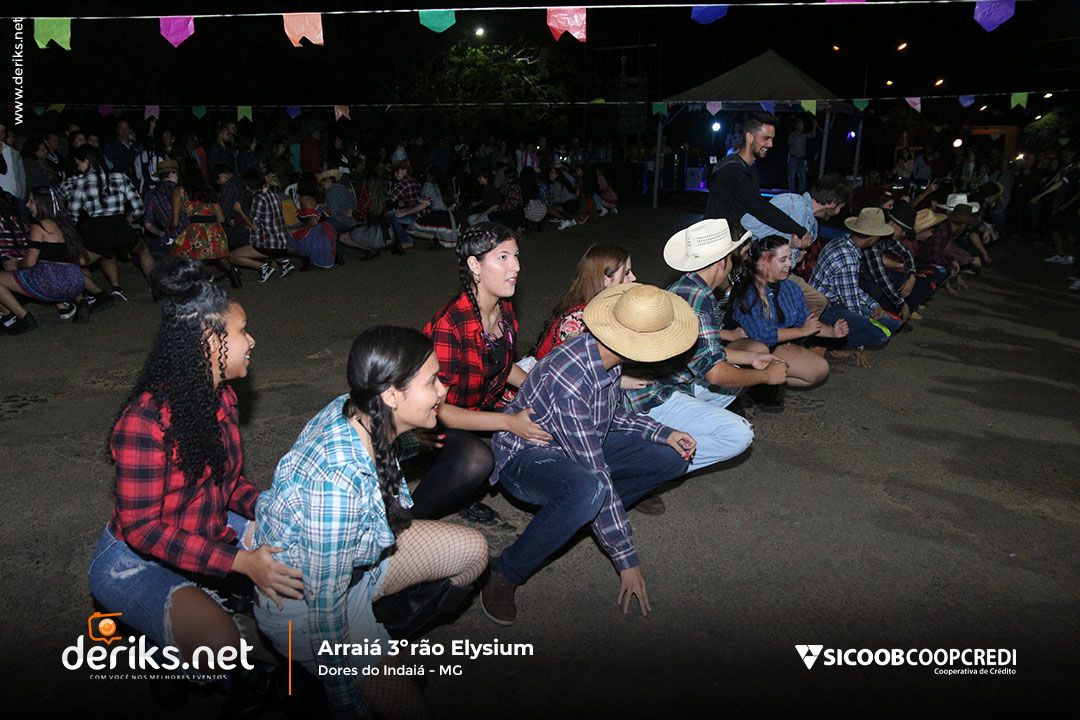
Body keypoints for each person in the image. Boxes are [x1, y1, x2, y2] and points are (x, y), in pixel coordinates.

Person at [88, 259, 299, 715]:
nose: (252, 341)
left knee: (291, 544)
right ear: (210, 340)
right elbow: (142, 529)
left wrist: (273, 506)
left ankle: (192, 615)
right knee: (224, 648)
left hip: (204, 529)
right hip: (135, 560)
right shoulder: (145, 420)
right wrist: (240, 561)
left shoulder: (220, 395)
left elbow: (230, 484)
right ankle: (165, 652)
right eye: (242, 331)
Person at [254, 326, 488, 720]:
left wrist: (408, 441)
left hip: (359, 566)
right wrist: (347, 704)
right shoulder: (337, 486)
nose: (443, 389)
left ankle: (384, 640)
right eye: (432, 381)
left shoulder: (356, 406)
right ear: (392, 395)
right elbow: (325, 611)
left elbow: (379, 443)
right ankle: (321, 681)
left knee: (473, 553)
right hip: (312, 614)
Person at [482, 283, 698, 625]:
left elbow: (611, 416)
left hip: (579, 444)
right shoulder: (572, 379)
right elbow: (596, 469)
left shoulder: (607, 357)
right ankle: (506, 571)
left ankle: (575, 518)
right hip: (526, 457)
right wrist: (626, 559)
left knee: (670, 459)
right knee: (590, 490)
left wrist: (664, 433)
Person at [418, 222, 552, 524]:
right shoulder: (450, 324)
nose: (515, 267)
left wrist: (542, 389)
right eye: (502, 257)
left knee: (544, 423)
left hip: (476, 409)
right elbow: (435, 408)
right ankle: (405, 521)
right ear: (474, 266)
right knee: (478, 460)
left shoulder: (503, 308)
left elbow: (501, 366)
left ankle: (460, 492)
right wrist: (508, 422)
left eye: (515, 256)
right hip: (431, 421)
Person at [624, 219, 772, 459]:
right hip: (654, 396)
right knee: (739, 434)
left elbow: (704, 350)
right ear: (723, 261)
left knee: (735, 377)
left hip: (661, 382)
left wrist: (752, 358)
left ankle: (678, 427)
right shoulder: (699, 300)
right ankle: (663, 459)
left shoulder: (686, 285)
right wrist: (767, 376)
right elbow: (715, 373)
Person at [731, 236, 848, 388]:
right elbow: (762, 335)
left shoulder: (791, 287)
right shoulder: (749, 291)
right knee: (760, 349)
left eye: (790, 258)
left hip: (773, 346)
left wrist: (832, 332)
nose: (789, 264)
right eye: (783, 260)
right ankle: (746, 382)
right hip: (742, 344)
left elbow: (805, 321)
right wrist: (801, 332)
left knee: (819, 369)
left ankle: (766, 384)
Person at [739, 174, 851, 316]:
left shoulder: (813, 225)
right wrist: (787, 243)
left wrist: (796, 256)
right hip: (760, 271)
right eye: (840, 207)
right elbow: (747, 223)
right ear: (833, 203)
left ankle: (793, 327)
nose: (838, 212)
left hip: (782, 275)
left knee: (818, 301)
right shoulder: (791, 202)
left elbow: (790, 257)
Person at [61, 145, 151, 300]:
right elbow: (138, 208)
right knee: (143, 251)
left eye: (79, 163)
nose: (78, 168)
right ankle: (158, 290)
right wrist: (127, 219)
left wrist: (70, 234)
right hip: (120, 225)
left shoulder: (80, 182)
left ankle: (97, 294)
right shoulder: (120, 177)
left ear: (87, 161)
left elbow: (72, 215)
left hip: (97, 229)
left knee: (75, 263)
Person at [809, 207, 902, 351]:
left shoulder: (843, 242)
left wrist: (873, 305)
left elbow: (850, 288)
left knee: (893, 323)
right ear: (873, 237)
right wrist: (861, 332)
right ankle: (835, 345)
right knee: (881, 335)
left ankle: (839, 341)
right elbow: (851, 303)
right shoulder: (848, 256)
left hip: (834, 300)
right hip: (825, 308)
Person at [705, 112, 807, 239]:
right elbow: (760, 208)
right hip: (717, 242)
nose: (770, 144)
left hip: (733, 239)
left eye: (772, 139)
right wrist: (798, 230)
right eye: (766, 138)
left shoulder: (748, 169)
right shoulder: (733, 170)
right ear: (749, 137)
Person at [0, 187, 88, 333]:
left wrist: (16, 263)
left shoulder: (40, 227)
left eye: (31, 202)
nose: (27, 205)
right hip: (77, 283)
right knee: (55, 268)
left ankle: (23, 317)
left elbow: (29, 263)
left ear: (41, 204)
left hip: (53, 284)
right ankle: (79, 303)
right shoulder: (65, 223)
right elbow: (82, 260)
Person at [533, 243, 636, 360]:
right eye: (626, 273)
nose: (633, 278)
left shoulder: (603, 305)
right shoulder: (579, 321)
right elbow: (566, 367)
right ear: (605, 279)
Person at [170, 159, 240, 288]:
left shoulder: (179, 191)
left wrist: (169, 229)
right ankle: (234, 277)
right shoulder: (208, 190)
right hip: (214, 229)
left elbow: (175, 222)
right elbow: (221, 218)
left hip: (195, 230)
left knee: (180, 253)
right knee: (219, 255)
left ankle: (195, 283)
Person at [787, 117, 817, 194]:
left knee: (803, 176)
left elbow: (812, 135)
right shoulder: (793, 135)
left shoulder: (804, 136)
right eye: (799, 125)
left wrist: (814, 126)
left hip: (801, 159)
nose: (801, 127)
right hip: (794, 158)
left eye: (802, 125)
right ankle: (792, 191)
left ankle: (801, 191)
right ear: (796, 126)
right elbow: (789, 144)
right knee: (792, 176)